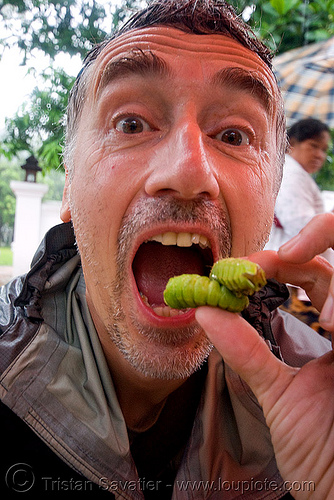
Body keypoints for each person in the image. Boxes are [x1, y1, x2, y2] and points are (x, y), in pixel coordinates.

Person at [1, 1, 334, 498]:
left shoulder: (318, 385)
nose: (188, 172)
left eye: (233, 135)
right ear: (69, 187)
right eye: (131, 124)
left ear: (271, 200)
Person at [266, 118, 333, 262]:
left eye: (324, 150)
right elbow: (300, 225)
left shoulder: (293, 172)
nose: (320, 155)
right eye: (313, 146)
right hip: (289, 270)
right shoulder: (291, 173)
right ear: (292, 143)